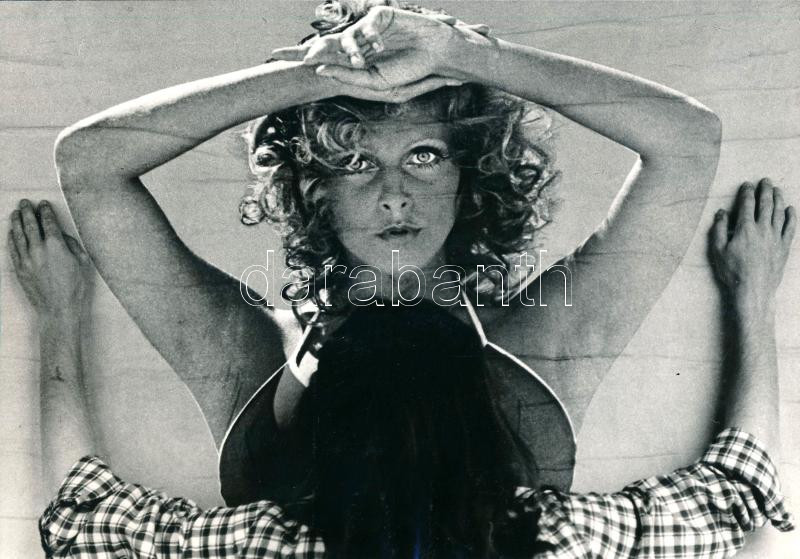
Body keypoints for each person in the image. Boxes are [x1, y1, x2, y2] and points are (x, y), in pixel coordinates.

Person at [52, 0, 724, 503]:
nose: (394, 195)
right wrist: (316, 75)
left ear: (470, 174)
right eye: (355, 162)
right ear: (312, 185)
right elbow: (87, 161)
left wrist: (465, 56)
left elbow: (689, 140)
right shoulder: (248, 352)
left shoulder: (537, 345)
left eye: (424, 156)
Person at [10, 178, 796, 557]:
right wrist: (753, 296)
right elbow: (737, 490)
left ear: (317, 432)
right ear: (486, 419)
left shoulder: (267, 545)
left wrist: (59, 315)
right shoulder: (558, 537)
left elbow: (82, 517)